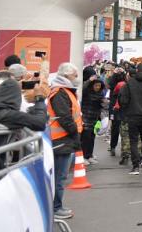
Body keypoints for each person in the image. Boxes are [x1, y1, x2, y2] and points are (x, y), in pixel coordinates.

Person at [48, 63, 83, 220]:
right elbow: (65, 117)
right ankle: (56, 207)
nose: (77, 78)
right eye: (75, 75)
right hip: (61, 140)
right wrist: (74, 132)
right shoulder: (60, 92)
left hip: (63, 139)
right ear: (67, 76)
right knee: (59, 177)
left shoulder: (64, 91)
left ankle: (56, 206)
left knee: (60, 176)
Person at [80, 77, 107, 165]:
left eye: (99, 86)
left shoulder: (101, 94)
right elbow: (82, 88)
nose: (97, 87)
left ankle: (89, 155)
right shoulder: (86, 92)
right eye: (96, 85)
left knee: (92, 137)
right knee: (86, 138)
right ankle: (84, 156)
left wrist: (105, 103)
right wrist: (89, 80)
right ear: (92, 85)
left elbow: (104, 106)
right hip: (85, 118)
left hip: (95, 119)